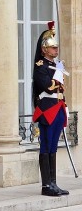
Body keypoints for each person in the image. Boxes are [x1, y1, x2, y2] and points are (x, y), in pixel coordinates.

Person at [32, 21, 69, 196]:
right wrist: (57, 76)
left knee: (53, 147)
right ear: (45, 49)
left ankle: (53, 183)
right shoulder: (41, 67)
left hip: (58, 109)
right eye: (53, 48)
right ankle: (46, 185)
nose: (56, 50)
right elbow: (47, 86)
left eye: (56, 47)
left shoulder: (55, 65)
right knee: (46, 146)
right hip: (47, 111)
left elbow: (61, 89)